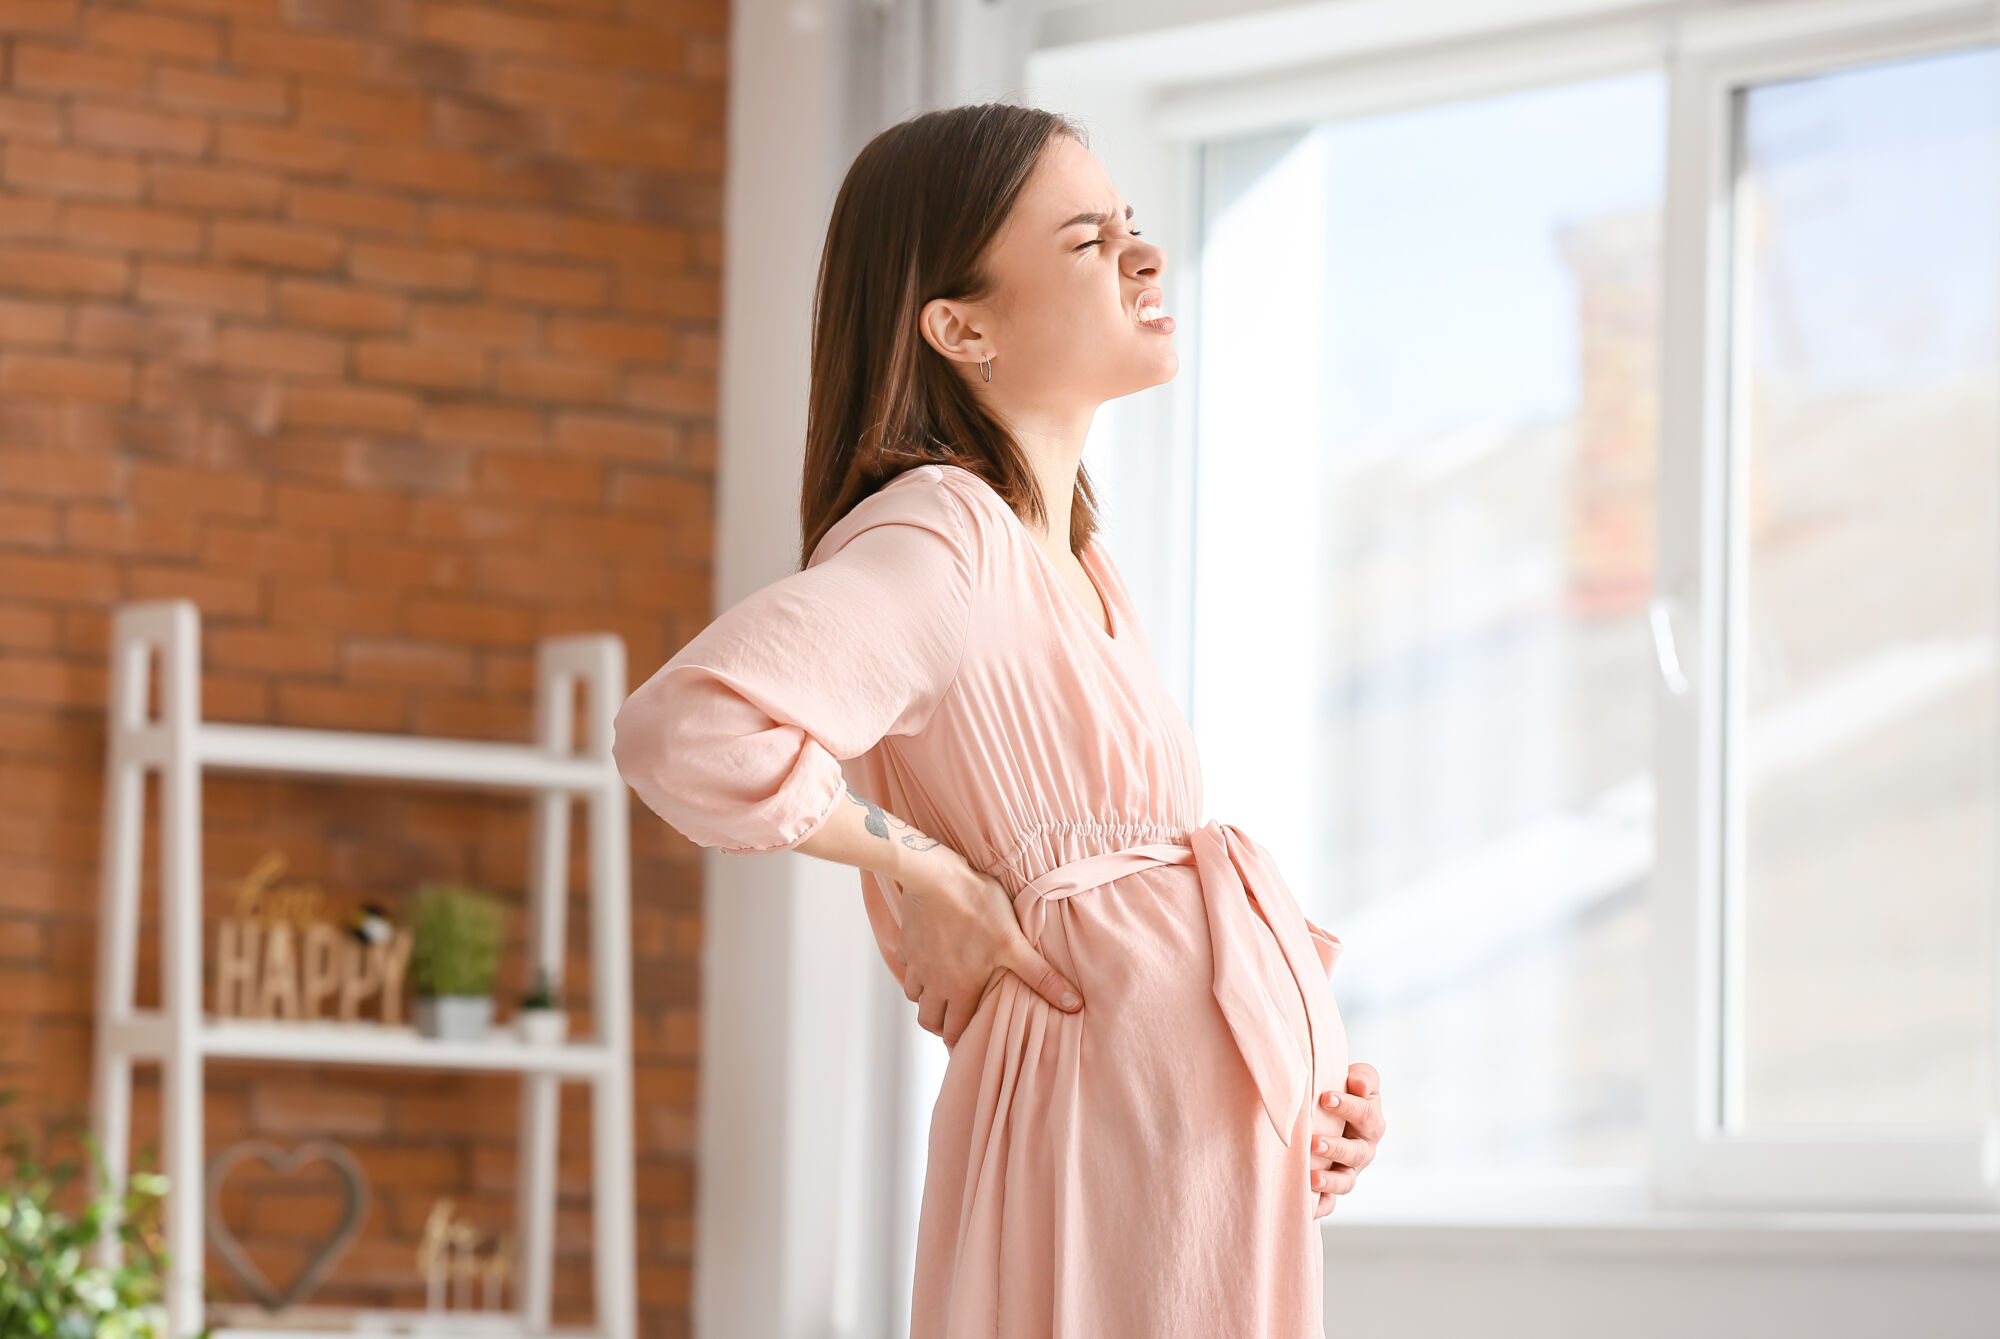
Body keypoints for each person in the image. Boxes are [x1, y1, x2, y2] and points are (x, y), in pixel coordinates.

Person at [612, 101, 1385, 1339]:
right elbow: (684, 730)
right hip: (1105, 1134)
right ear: (957, 325)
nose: (1143, 257)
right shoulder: (945, 534)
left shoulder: (1074, 556)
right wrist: (923, 870)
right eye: (1088, 241)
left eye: (1133, 226)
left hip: (1186, 1157)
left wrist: (1304, 1090)